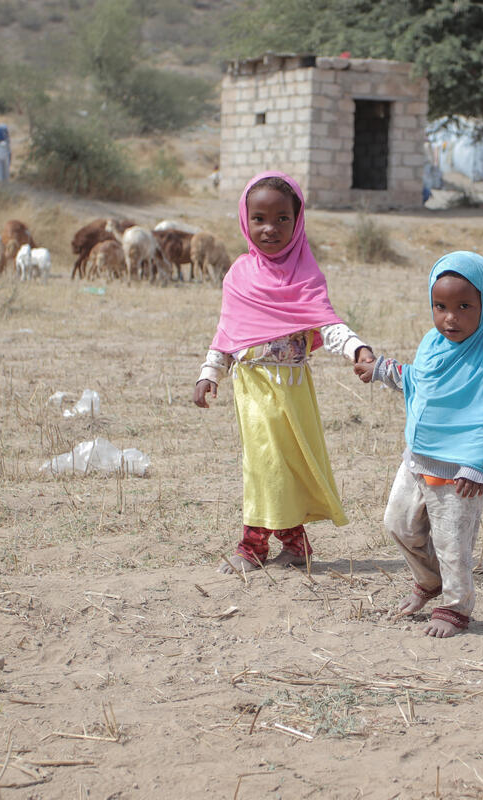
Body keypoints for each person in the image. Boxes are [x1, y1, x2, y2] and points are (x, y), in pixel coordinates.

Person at [194, 171, 376, 574]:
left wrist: (357, 348)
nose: (270, 228)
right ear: (245, 220)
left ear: (298, 222)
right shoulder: (239, 275)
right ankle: (252, 547)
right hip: (253, 390)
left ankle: (295, 545)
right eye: (259, 218)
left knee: (287, 466)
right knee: (263, 465)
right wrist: (210, 373)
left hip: (294, 391)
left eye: (282, 219)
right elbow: (227, 333)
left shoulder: (306, 275)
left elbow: (328, 324)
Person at [355, 251, 483, 637]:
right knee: (397, 524)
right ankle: (429, 582)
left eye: (464, 307)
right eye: (440, 306)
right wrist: (383, 370)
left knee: (452, 544)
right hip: (417, 460)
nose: (450, 318)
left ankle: (456, 608)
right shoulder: (432, 343)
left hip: (459, 472)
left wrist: (477, 465)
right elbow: (419, 381)